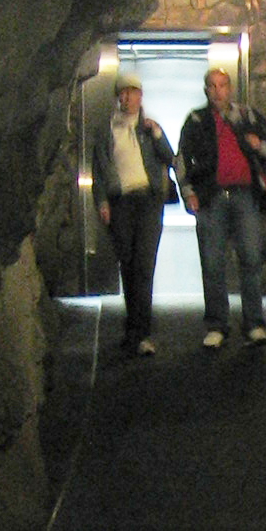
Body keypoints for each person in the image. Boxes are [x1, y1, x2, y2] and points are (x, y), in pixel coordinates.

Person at [177, 66, 266, 348]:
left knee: (251, 258)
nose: (217, 91)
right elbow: (181, 159)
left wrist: (257, 145)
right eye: (212, 86)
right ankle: (216, 325)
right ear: (205, 90)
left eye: (222, 85)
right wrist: (189, 193)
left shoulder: (247, 116)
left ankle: (254, 323)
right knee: (212, 262)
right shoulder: (196, 121)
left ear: (230, 88)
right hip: (211, 197)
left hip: (245, 195)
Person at [90, 66, 176, 356]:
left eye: (133, 93)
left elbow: (170, 158)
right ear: (118, 97)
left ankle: (141, 332)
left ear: (141, 96)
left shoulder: (149, 128)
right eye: (123, 93)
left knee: (144, 265)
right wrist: (102, 201)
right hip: (121, 203)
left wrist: (157, 133)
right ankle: (134, 328)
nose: (128, 98)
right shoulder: (107, 130)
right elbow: (99, 169)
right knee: (127, 264)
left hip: (148, 201)